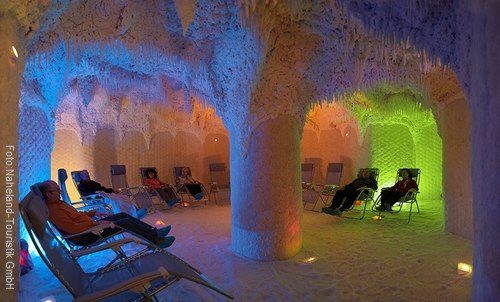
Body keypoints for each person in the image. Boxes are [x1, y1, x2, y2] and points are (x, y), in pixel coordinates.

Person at [40, 180, 175, 248]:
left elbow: (77, 216)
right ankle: (156, 240)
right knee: (125, 223)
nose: (59, 191)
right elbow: (72, 228)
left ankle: (154, 232)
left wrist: (93, 213)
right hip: (86, 236)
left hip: (91, 227)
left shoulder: (60, 203)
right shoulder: (53, 210)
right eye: (56, 190)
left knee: (123, 215)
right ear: (47, 194)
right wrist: (95, 224)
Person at [77, 170, 147, 219]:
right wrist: (96, 192)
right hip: (96, 198)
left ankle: (135, 212)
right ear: (81, 177)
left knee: (124, 197)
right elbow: (85, 193)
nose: (87, 175)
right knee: (116, 199)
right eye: (84, 174)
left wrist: (112, 190)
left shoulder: (93, 182)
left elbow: (103, 188)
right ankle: (123, 215)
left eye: (87, 173)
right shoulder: (82, 185)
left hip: (104, 194)